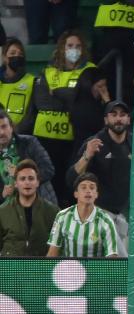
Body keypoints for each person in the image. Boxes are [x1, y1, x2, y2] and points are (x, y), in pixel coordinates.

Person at [20, 30, 97, 205]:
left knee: (68, 184)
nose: (74, 49)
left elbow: (82, 102)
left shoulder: (90, 69)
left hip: (72, 138)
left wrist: (58, 93)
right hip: (45, 136)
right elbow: (42, 102)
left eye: (78, 46)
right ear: (62, 48)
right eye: (69, 45)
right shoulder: (48, 72)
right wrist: (70, 95)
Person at [66, 100, 132, 255]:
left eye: (123, 115)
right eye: (113, 114)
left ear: (129, 119)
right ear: (105, 120)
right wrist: (87, 155)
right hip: (100, 213)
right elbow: (71, 179)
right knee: (121, 259)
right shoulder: (94, 143)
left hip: (125, 214)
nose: (118, 119)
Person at [47, 172, 120, 258]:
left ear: (96, 194)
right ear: (76, 194)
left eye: (92, 188)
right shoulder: (62, 216)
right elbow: (52, 253)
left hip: (95, 271)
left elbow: (112, 257)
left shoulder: (106, 221)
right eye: (83, 187)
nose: (88, 191)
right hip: (69, 271)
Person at [0, 159, 59, 256]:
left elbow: (58, 245)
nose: (27, 182)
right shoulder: (2, 212)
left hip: (41, 268)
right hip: (10, 268)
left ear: (37, 182)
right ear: (16, 183)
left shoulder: (53, 211)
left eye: (31, 178)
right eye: (22, 179)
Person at [0, 109, 57, 205]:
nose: (1, 132)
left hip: (40, 204)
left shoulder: (29, 142)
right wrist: (2, 195)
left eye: (4, 126)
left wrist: (22, 175)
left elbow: (48, 170)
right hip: (9, 210)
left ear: (11, 127)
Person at [0, 38, 35, 128]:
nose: (17, 56)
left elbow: (31, 114)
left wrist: (14, 131)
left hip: (21, 135)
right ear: (4, 57)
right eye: (12, 53)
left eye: (20, 54)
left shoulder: (32, 81)